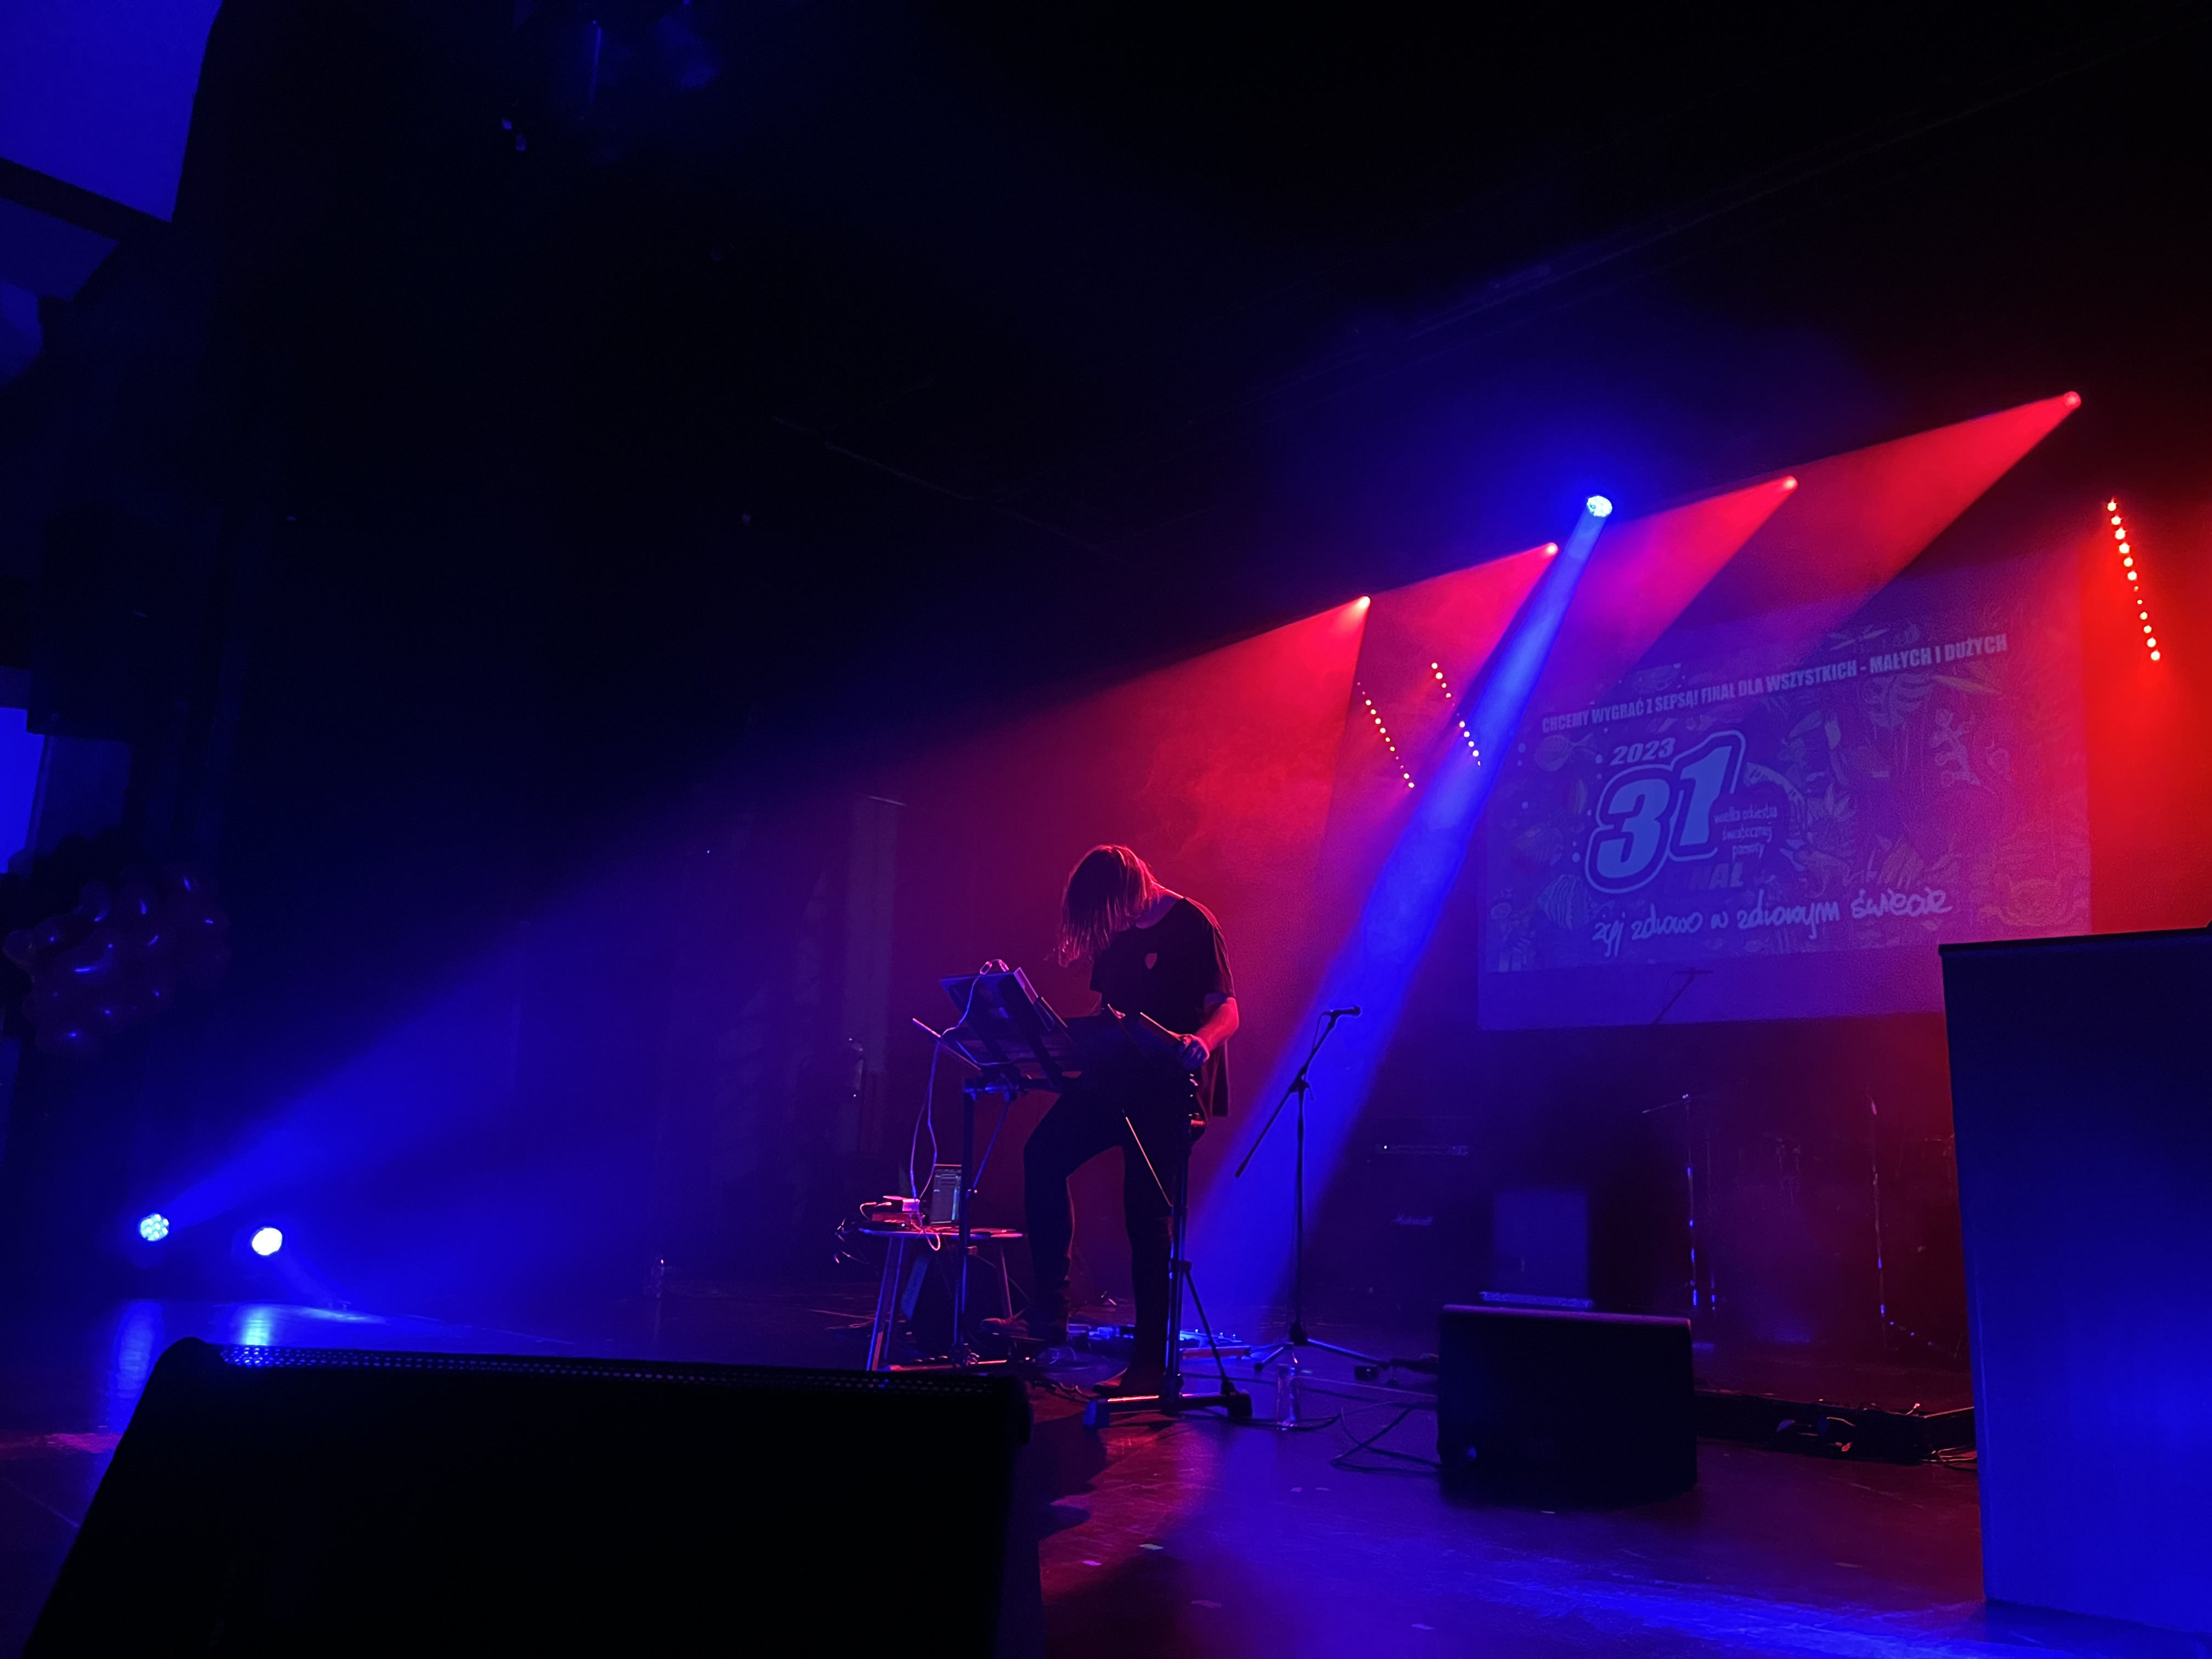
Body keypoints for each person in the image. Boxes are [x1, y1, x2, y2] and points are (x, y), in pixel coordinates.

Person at [1019, 845, 1238, 1393]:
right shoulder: (1118, 932)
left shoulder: (1193, 923)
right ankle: (1049, 1316)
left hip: (1168, 1090)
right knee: (1042, 1156)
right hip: (1114, 1081)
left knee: (1147, 1217)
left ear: (1129, 889)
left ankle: (1149, 1362)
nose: (1110, 924)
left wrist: (1201, 1041)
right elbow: (1107, 1014)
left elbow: (1228, 1008)